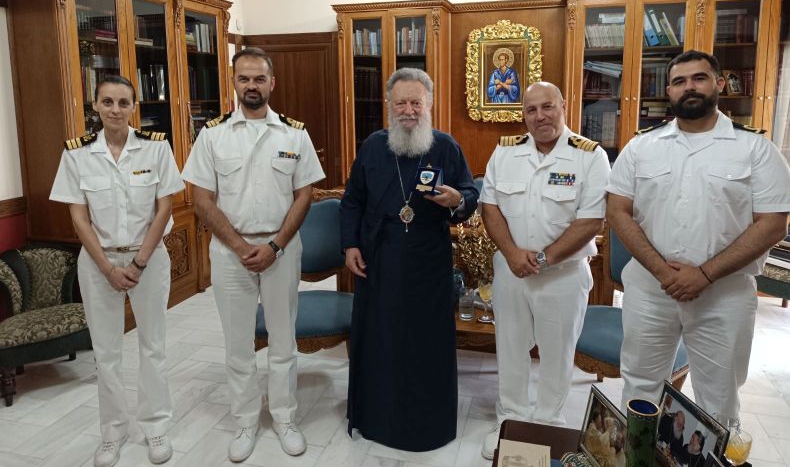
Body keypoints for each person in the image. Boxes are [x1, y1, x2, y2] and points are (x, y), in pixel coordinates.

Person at [606, 50, 790, 420]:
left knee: (718, 399)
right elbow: (617, 211)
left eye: (699, 78)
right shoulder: (641, 146)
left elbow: (773, 223)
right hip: (651, 289)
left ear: (719, 84)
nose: (689, 87)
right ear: (669, 91)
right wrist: (663, 271)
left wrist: (705, 274)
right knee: (640, 388)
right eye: (679, 81)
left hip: (723, 293)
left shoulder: (756, 148)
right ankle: (639, 451)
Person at [181, 48, 324, 462]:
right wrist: (242, 247)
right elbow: (201, 200)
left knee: (283, 340)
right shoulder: (212, 135)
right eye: (244, 78)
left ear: (271, 83)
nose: (251, 86)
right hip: (231, 254)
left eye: (259, 78)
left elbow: (305, 194)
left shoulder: (294, 134)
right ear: (234, 82)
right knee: (238, 344)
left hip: (282, 249)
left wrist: (275, 245)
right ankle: (245, 421)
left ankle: (285, 418)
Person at [341, 67, 478, 451]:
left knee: (425, 344)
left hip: (428, 261)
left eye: (416, 103)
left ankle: (426, 424)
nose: (408, 111)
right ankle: (378, 419)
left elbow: (470, 194)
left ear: (428, 103)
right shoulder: (372, 147)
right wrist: (350, 245)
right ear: (389, 104)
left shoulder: (445, 146)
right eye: (400, 103)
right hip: (378, 259)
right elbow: (352, 201)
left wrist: (457, 200)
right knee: (381, 339)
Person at [50, 75, 184, 467]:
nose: (115, 109)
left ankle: (155, 425)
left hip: (149, 259)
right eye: (107, 101)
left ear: (133, 107)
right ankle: (113, 432)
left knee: (153, 346)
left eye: (123, 102)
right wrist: (108, 267)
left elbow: (164, 208)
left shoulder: (156, 148)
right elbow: (79, 218)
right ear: (95, 105)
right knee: (106, 352)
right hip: (98, 262)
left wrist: (138, 262)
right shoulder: (77, 154)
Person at [480, 82, 610, 459]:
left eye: (548, 107)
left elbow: (592, 220)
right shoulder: (505, 152)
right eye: (531, 110)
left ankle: (547, 423)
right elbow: (490, 207)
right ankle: (510, 420)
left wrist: (541, 259)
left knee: (556, 354)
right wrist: (511, 253)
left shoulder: (590, 156)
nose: (540, 116)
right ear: (523, 115)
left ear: (563, 106)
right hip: (511, 273)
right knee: (510, 349)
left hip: (562, 277)